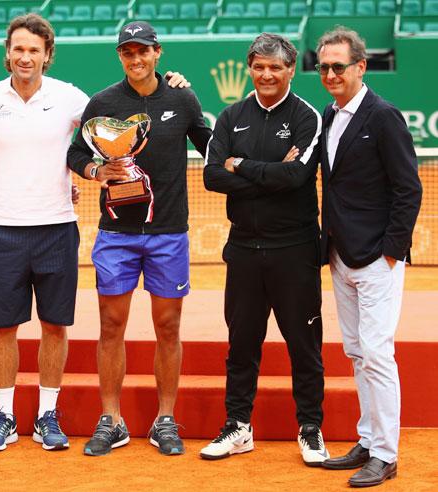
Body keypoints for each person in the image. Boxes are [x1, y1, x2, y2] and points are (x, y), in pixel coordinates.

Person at [0, 14, 189, 453]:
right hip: (3, 231)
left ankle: (48, 413)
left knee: (54, 327)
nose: (25, 57)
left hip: (57, 229)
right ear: (8, 53)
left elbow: (114, 119)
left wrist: (169, 81)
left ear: (48, 55)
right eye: (19, 49)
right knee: (3, 329)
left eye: (34, 50)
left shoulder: (70, 99)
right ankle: (4, 415)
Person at [66, 21, 212, 456]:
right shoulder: (103, 102)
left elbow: (209, 143)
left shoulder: (182, 97)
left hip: (169, 233)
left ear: (157, 53)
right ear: (120, 57)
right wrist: (95, 170)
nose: (136, 58)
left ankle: (165, 418)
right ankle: (111, 419)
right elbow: (77, 153)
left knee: (168, 326)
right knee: (112, 326)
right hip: (117, 233)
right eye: (128, 52)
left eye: (143, 51)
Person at [200, 33, 328, 466]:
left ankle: (310, 428)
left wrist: (244, 166)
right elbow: (212, 177)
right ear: (250, 68)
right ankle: (238, 427)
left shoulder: (309, 116)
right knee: (241, 345)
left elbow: (298, 178)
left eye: (276, 67)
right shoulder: (230, 115)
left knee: (304, 345)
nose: (267, 74)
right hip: (243, 250)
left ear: (291, 69)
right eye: (259, 66)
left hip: (295, 249)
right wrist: (271, 171)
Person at [314, 28, 422, 487]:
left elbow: (408, 188)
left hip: (377, 257)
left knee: (377, 354)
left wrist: (392, 253)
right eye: (324, 67)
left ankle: (386, 453)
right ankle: (367, 438)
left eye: (340, 66)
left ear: (361, 67)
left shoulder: (383, 116)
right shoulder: (329, 114)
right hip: (341, 253)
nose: (331, 74)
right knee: (358, 351)